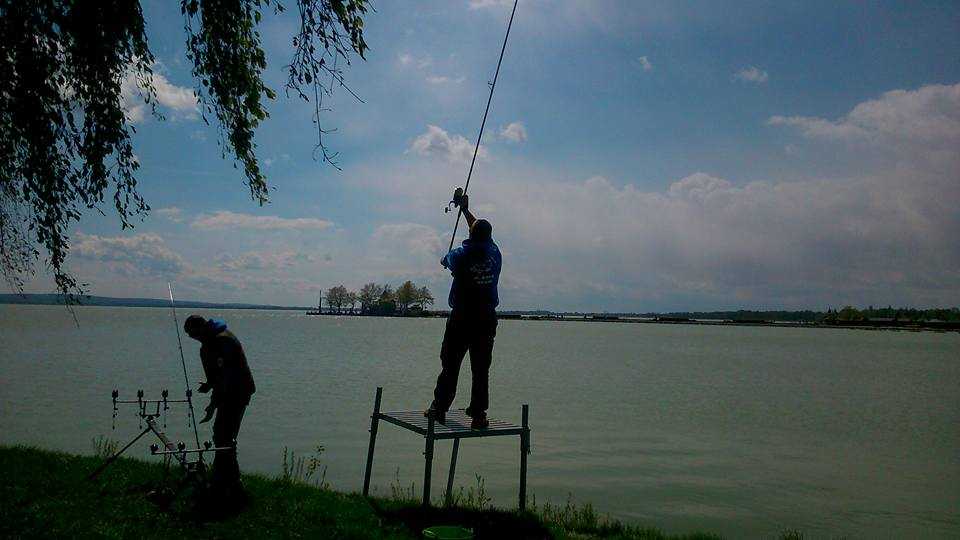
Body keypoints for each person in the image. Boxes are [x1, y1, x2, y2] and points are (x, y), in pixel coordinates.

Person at [426, 194, 502, 429]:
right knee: (481, 369)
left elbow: (446, 259)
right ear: (489, 237)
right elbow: (479, 230)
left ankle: (439, 409)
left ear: (470, 235)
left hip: (462, 318)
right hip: (486, 319)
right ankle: (478, 416)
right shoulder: (494, 253)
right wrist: (466, 210)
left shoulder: (459, 255)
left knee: (450, 364)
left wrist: (444, 261)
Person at [183, 315, 256, 500]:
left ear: (201, 328)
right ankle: (223, 480)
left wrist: (213, 404)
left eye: (193, 334)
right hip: (229, 391)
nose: (192, 338)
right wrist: (210, 385)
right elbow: (218, 375)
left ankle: (232, 485)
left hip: (237, 392)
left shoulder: (222, 341)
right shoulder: (210, 343)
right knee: (222, 435)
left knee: (224, 436)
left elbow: (227, 377)